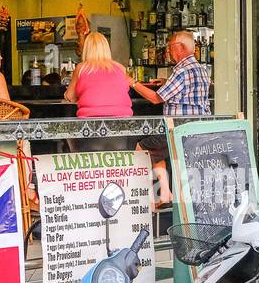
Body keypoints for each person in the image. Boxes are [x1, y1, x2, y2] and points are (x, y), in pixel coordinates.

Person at [129, 30, 212, 206]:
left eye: (170, 47)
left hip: (177, 130)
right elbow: (186, 91)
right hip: (197, 130)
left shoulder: (181, 70)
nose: (168, 51)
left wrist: (132, 83)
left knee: (142, 148)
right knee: (157, 149)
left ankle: (151, 197)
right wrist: (166, 82)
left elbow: (155, 98)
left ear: (179, 47)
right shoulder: (201, 70)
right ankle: (166, 193)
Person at [64, 31, 132, 118]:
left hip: (90, 118)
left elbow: (70, 97)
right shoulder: (120, 68)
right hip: (123, 116)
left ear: (86, 49)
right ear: (106, 48)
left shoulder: (81, 68)